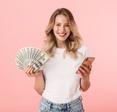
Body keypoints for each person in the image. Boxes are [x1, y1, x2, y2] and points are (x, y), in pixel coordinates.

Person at [25, 8, 92, 112]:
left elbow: (85, 87)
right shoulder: (44, 53)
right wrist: (37, 75)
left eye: (67, 25)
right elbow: (40, 90)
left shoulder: (82, 51)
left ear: (71, 27)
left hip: (75, 107)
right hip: (48, 107)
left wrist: (85, 76)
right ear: (52, 26)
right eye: (58, 24)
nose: (62, 29)